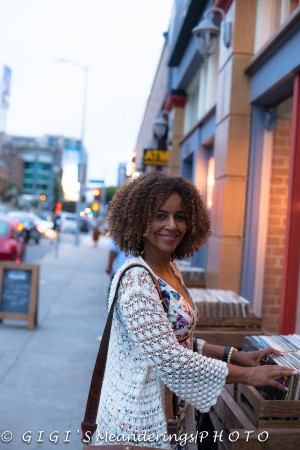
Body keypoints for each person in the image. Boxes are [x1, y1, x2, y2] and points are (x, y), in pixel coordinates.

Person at [95, 172, 298, 448]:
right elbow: (171, 359)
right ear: (139, 219)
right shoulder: (137, 281)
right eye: (160, 215)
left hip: (170, 418)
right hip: (136, 426)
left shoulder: (168, 269)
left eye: (180, 216)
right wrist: (249, 375)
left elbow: (179, 342)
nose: (172, 225)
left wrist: (237, 355)